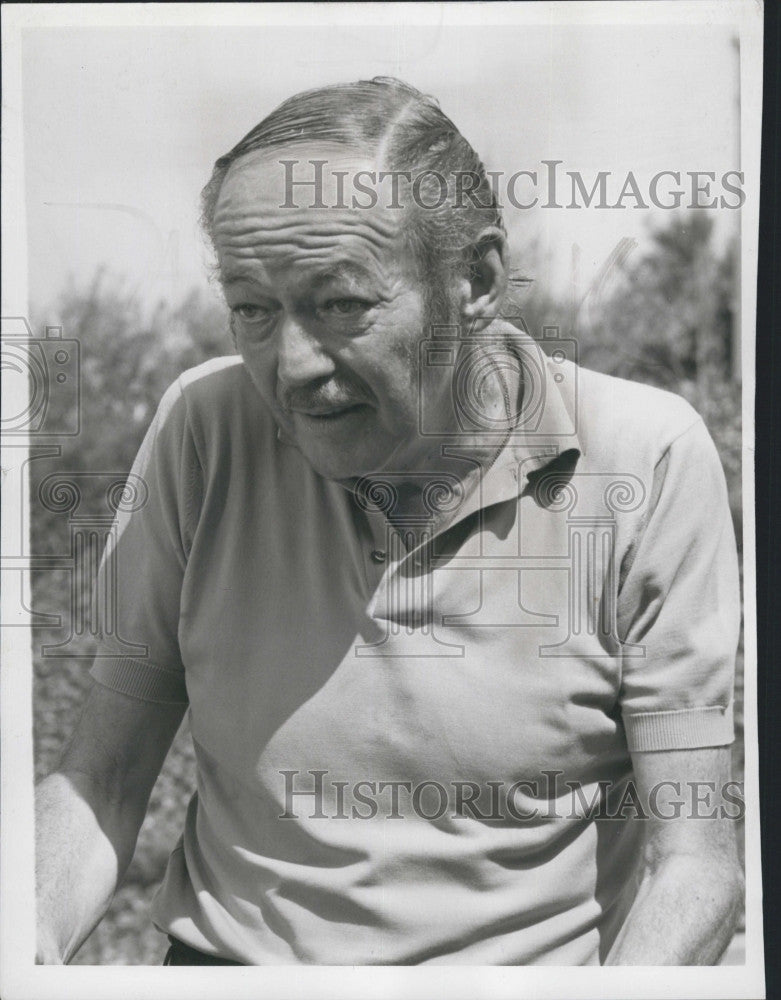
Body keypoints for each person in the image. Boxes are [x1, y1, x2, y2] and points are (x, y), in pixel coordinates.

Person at [35, 77, 743, 966]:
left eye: (340, 306)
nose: (289, 365)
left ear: (476, 280)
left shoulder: (644, 456)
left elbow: (696, 868)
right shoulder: (204, 429)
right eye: (252, 309)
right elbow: (98, 780)